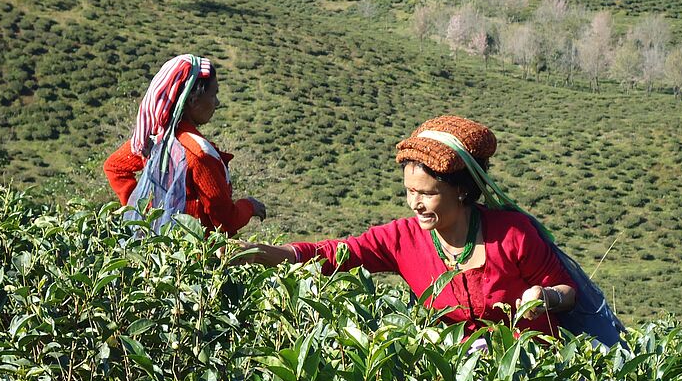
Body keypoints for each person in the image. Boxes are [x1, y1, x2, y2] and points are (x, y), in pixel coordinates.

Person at [243, 115, 576, 337]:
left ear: (461, 190)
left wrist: (546, 296)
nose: (415, 203)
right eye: (409, 191)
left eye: (427, 194)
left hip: (531, 374)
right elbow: (335, 254)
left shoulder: (511, 234)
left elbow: (567, 291)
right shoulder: (402, 238)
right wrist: (261, 254)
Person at [104, 54, 265, 236]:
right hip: (195, 256)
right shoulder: (199, 155)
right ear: (192, 100)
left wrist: (144, 214)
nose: (217, 103)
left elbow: (115, 167)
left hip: (161, 248)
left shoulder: (157, 136)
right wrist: (249, 205)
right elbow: (227, 220)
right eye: (213, 95)